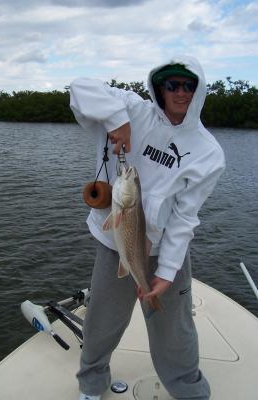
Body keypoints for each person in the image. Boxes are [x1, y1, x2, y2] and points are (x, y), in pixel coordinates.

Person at [70, 55, 225, 400]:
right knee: (101, 322)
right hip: (116, 246)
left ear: (198, 90)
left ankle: (189, 391)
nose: (180, 92)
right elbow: (80, 88)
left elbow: (185, 218)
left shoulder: (208, 153)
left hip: (165, 250)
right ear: (160, 87)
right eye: (172, 84)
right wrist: (118, 121)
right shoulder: (132, 109)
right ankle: (92, 386)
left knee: (176, 332)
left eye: (188, 85)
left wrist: (167, 272)